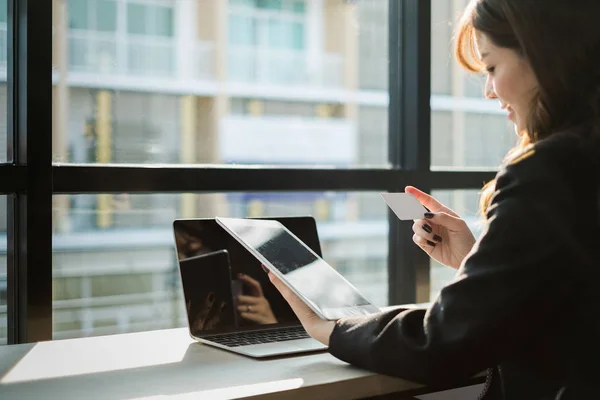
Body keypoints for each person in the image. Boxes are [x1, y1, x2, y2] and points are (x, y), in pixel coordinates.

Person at [268, 0, 600, 398]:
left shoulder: (549, 170)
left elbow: (445, 341)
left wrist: (333, 330)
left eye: (492, 67)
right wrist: (475, 261)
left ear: (546, 56)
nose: (490, 92)